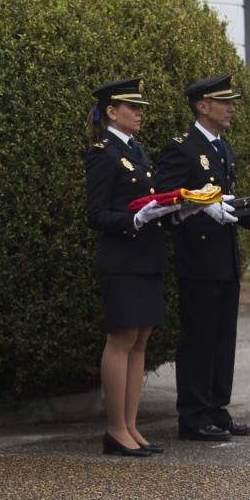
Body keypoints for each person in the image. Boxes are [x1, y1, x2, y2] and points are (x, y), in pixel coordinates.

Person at [156, 75, 250, 442]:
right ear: (202, 106)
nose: (231, 109)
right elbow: (164, 201)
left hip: (223, 255)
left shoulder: (221, 148)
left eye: (231, 102)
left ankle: (216, 408)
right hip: (198, 257)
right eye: (223, 102)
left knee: (223, 335)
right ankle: (193, 415)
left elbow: (225, 202)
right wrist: (197, 207)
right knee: (199, 337)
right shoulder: (182, 147)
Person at [84, 78, 177, 457]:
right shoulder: (103, 153)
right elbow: (97, 214)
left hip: (146, 256)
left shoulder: (135, 149)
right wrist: (133, 220)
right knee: (121, 340)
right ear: (111, 111)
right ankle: (115, 429)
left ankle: (131, 426)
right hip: (122, 259)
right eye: (132, 107)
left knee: (140, 341)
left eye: (140, 107)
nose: (139, 113)